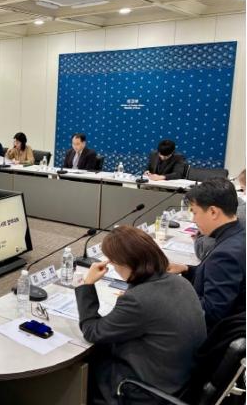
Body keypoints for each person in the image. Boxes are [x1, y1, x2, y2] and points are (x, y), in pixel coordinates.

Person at [76, 226, 206, 404]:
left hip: (145, 391)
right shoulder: (180, 282)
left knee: (83, 363)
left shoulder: (138, 300)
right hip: (180, 379)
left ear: (125, 263)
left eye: (113, 262)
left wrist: (87, 284)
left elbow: (92, 331)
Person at [168, 179, 245, 330]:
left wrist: (170, 296)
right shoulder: (238, 232)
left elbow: (210, 313)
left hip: (212, 334)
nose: (193, 220)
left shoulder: (225, 255)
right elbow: (216, 275)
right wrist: (186, 269)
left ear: (213, 212)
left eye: (195, 212)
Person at [194, 169, 245, 260]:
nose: (243, 193)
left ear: (213, 211)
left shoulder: (239, 214)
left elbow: (203, 251)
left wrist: (200, 234)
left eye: (243, 189)